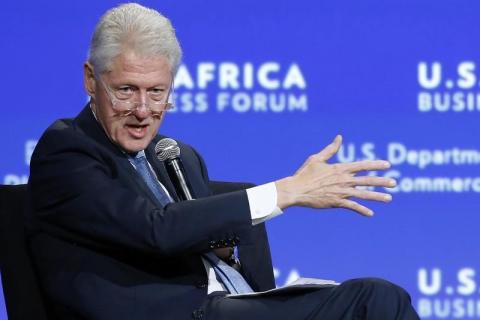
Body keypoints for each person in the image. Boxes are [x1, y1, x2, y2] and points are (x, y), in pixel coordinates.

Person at [26, 3, 420, 319]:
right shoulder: (67, 151)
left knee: (378, 296)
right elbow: (155, 230)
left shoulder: (176, 157)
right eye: (126, 90)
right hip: (173, 312)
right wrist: (287, 192)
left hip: (227, 302)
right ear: (90, 80)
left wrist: (226, 251)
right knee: (373, 301)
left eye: (157, 91)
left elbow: (207, 246)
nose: (143, 110)